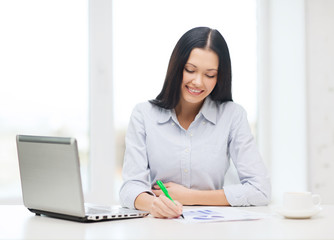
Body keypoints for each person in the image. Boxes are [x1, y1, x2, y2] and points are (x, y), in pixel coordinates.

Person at [119, 26, 271, 218]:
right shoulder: (143, 114)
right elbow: (130, 188)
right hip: (161, 226)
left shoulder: (233, 115)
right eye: (190, 70)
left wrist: (190, 196)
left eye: (210, 75)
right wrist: (154, 204)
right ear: (177, 67)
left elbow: (261, 190)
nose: (198, 82)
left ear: (220, 77)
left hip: (213, 226)